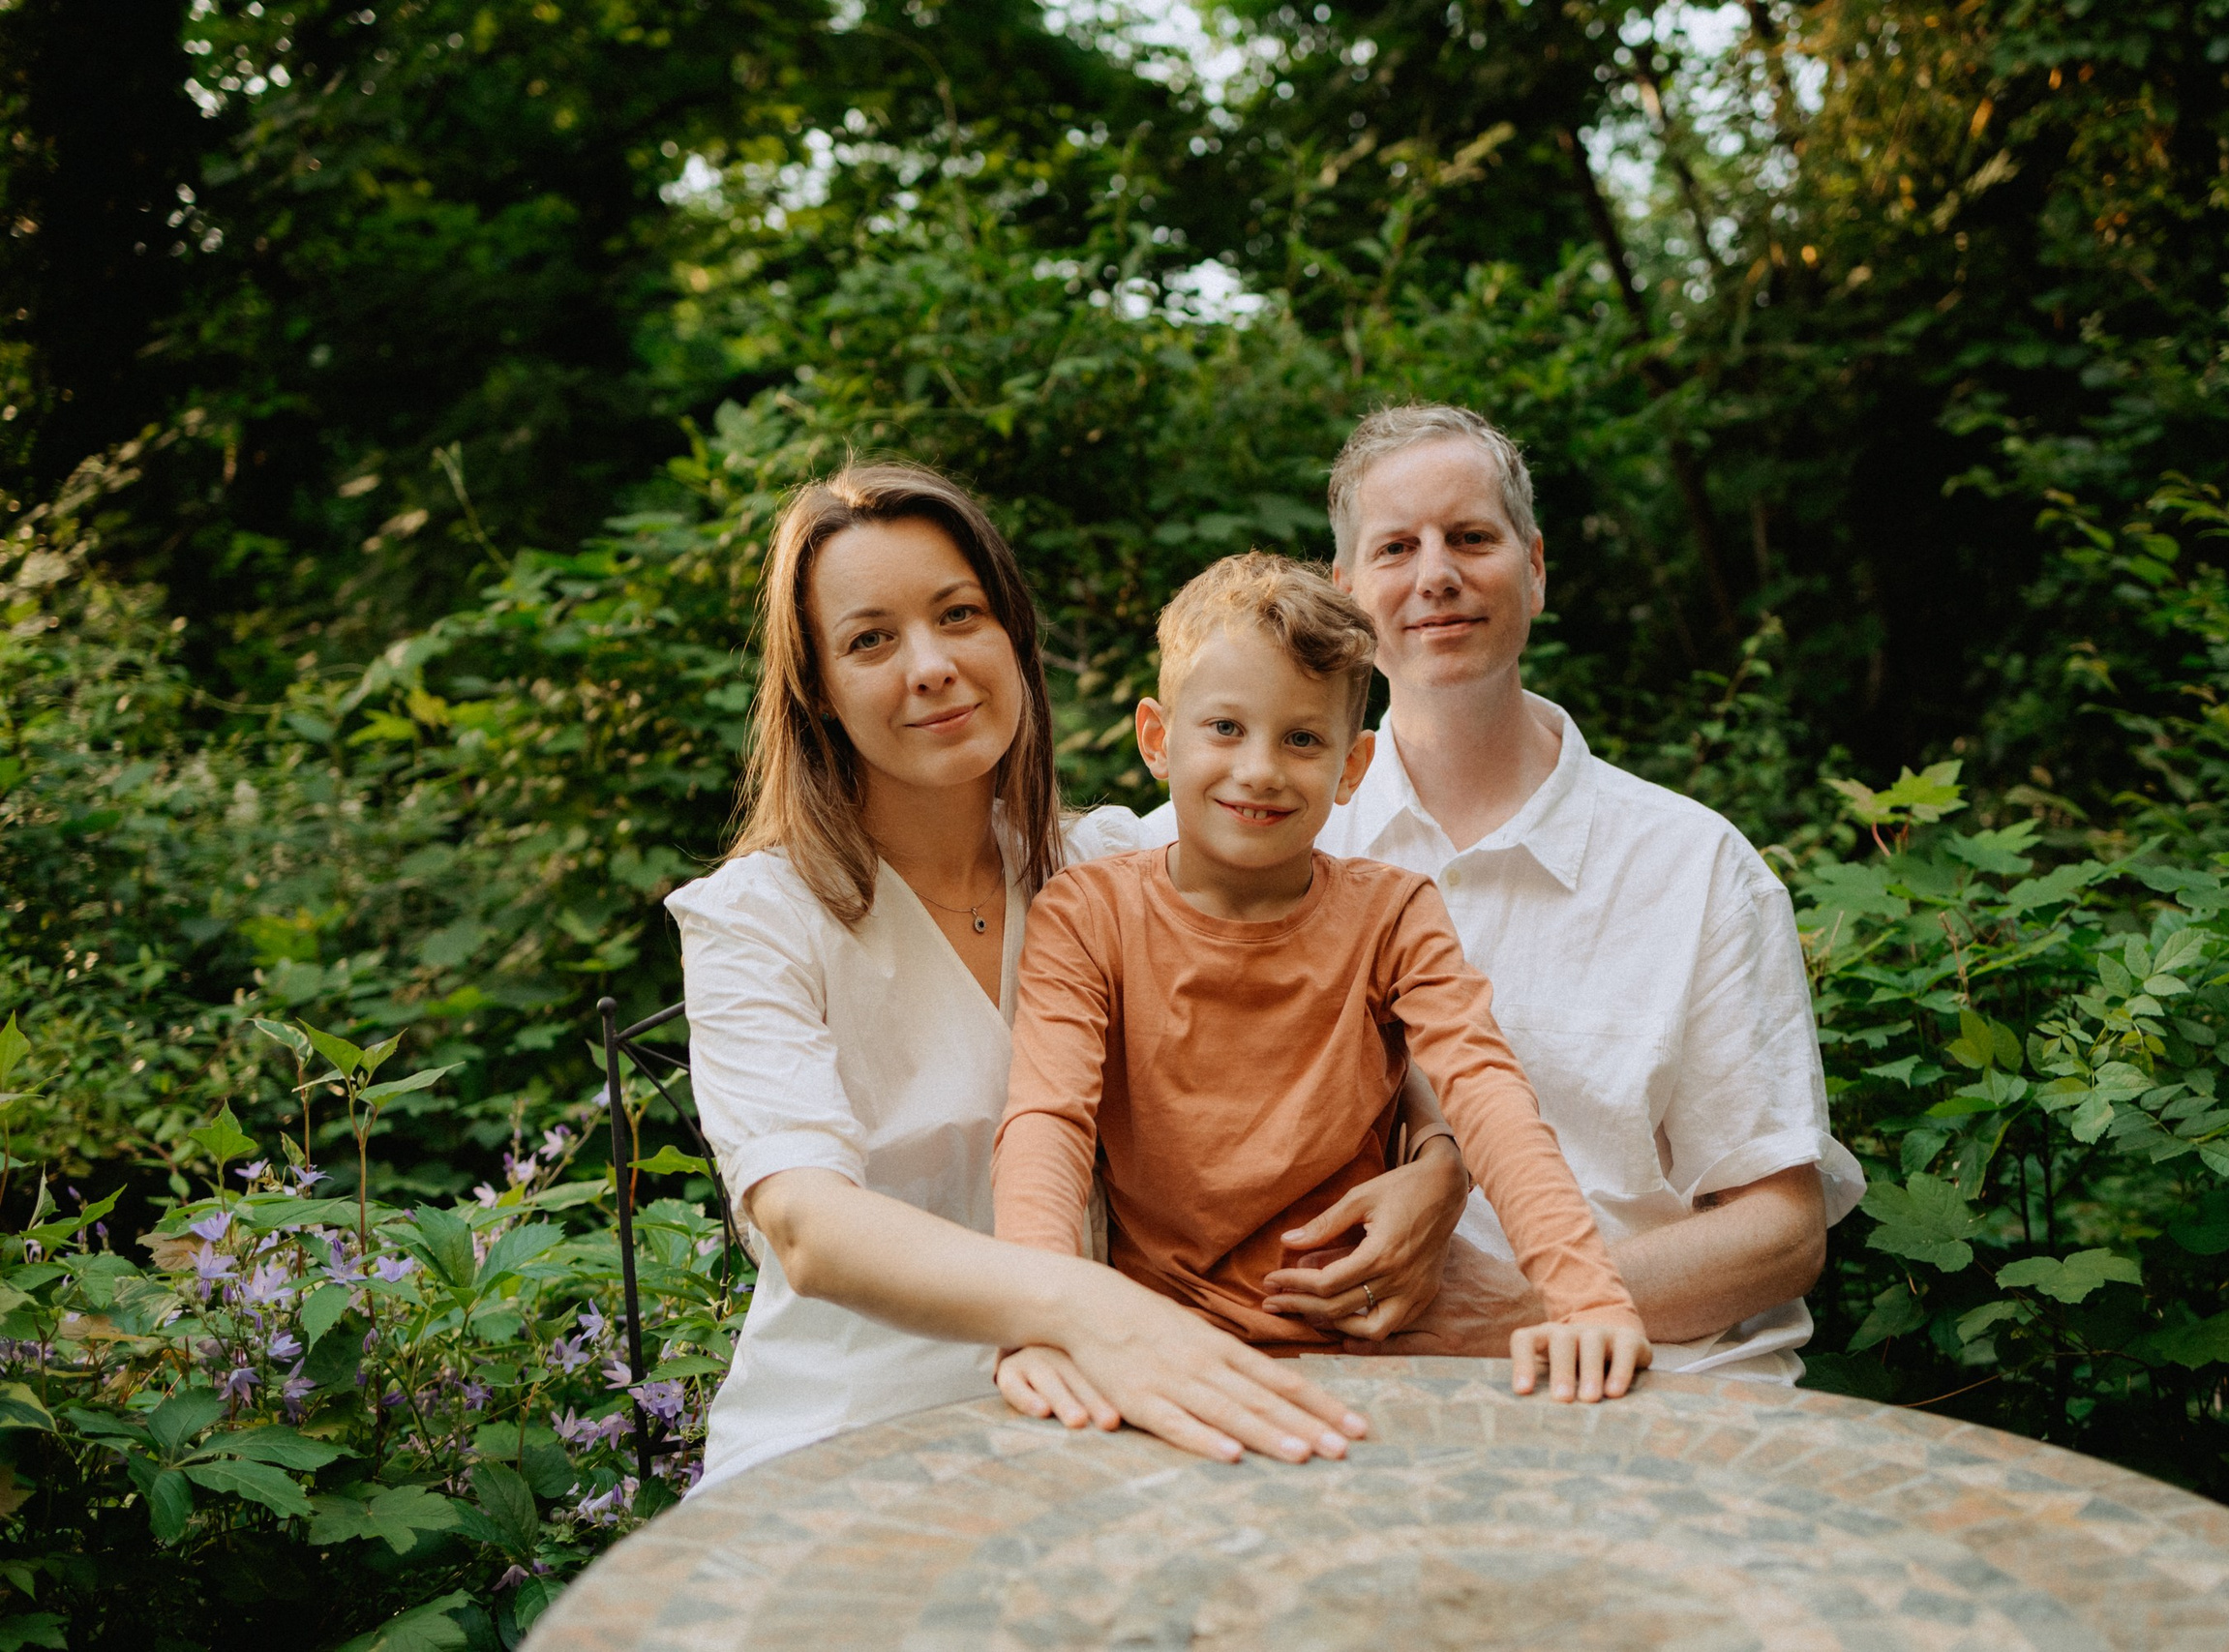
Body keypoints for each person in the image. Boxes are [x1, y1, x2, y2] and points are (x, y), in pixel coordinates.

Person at [665, 463, 1469, 1490]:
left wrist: (1439, 1162)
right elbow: (807, 1227)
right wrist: (1080, 1304)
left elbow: (1354, 961)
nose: (931, 666)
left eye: (959, 614)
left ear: (1012, 634)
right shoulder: (756, 918)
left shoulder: (1108, 866)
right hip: (851, 1430)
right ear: (816, 687)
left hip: (1112, 1411)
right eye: (871, 639)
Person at [1138, 406, 1864, 1380]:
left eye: (1471, 537)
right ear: (1347, 595)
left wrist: (1518, 1307)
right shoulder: (1236, 828)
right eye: (1396, 547)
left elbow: (1781, 1235)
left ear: (1535, 568)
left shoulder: (1696, 868)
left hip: (1647, 1388)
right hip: (1337, 1387)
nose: (1436, 574)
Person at [992, 554, 1653, 1403]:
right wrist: (1042, 1321)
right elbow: (1046, 1121)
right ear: (1157, 738)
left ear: (1352, 766)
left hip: (1374, 1354)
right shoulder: (1088, 914)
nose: (1260, 768)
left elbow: (1488, 1092)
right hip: (1163, 1352)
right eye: (1225, 727)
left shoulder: (1394, 914)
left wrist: (1588, 1299)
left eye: (1301, 738)